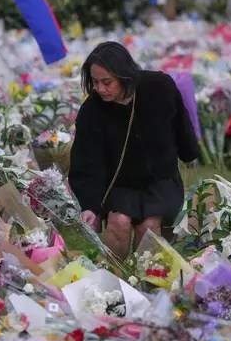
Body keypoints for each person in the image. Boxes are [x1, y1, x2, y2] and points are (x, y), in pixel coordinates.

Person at [69, 41, 199, 260]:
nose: (100, 89)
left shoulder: (159, 87)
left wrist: (189, 153)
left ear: (124, 75)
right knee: (118, 223)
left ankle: (147, 282)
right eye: (95, 82)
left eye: (107, 82)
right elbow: (86, 161)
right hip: (121, 183)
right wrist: (90, 205)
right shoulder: (92, 110)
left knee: (148, 226)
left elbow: (181, 124)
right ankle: (112, 282)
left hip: (161, 179)